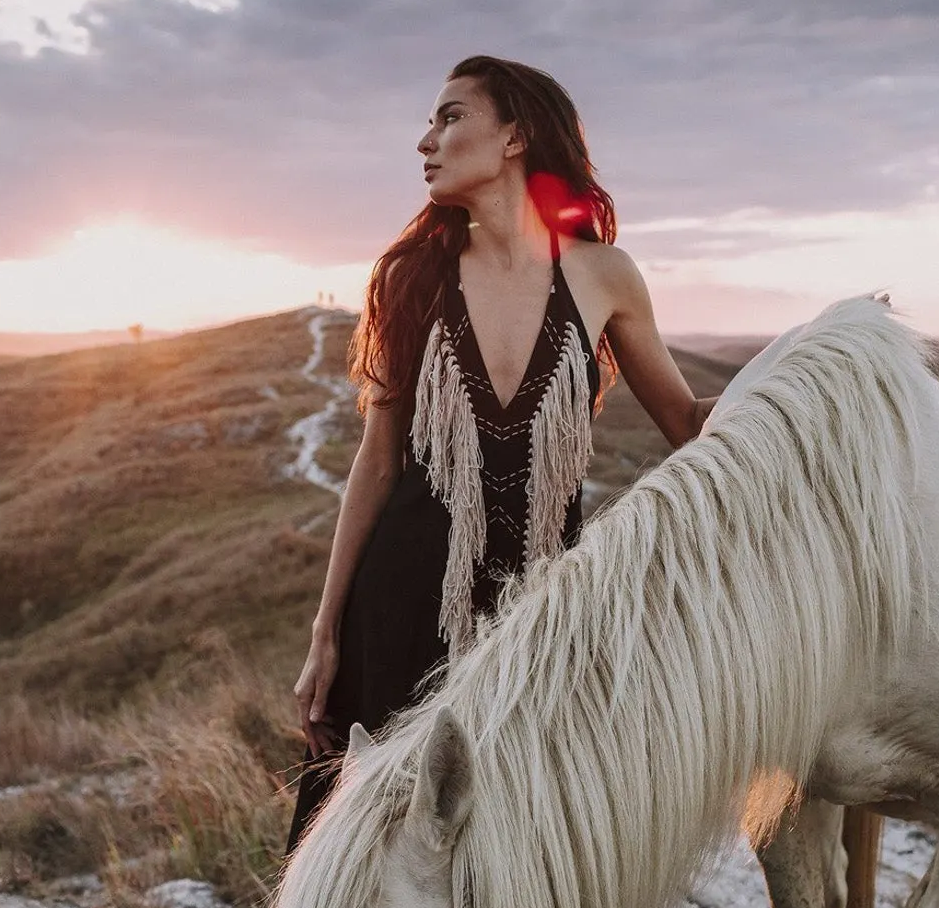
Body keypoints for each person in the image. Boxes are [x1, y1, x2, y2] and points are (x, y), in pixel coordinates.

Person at [285, 54, 717, 851]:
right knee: (364, 852)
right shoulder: (411, 277)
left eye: (450, 116)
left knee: (530, 852)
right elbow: (377, 463)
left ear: (515, 134)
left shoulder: (603, 276)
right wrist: (327, 628)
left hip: (542, 631)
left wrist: (812, 374)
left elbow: (689, 421)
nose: (426, 139)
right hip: (404, 609)